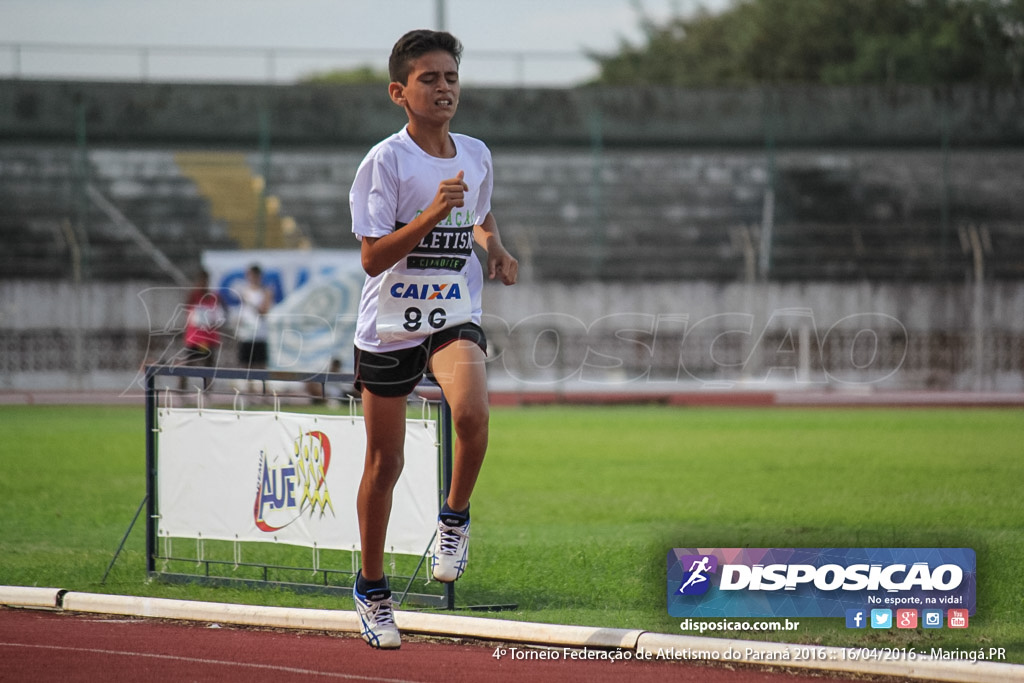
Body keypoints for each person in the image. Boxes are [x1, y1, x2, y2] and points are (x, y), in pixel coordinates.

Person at [347, 29, 518, 650]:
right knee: (384, 463)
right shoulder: (385, 161)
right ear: (400, 91)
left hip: (452, 312)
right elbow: (372, 258)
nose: (444, 88)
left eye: (450, 77)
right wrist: (427, 216)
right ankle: (370, 589)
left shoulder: (475, 152)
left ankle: (454, 518)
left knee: (471, 414)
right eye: (429, 79)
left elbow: (477, 212)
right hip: (389, 324)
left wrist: (493, 244)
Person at [180, 269, 226, 390]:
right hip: (195, 337)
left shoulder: (214, 296)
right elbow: (190, 315)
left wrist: (214, 323)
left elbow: (220, 315)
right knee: (188, 363)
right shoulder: (193, 296)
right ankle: (181, 390)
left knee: (209, 365)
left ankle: (207, 391)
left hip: (209, 337)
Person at [236, 264, 273, 371]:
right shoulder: (244, 291)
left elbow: (264, 312)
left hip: (260, 334)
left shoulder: (265, 292)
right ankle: (247, 388)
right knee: (246, 366)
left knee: (261, 366)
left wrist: (250, 303)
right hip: (246, 335)